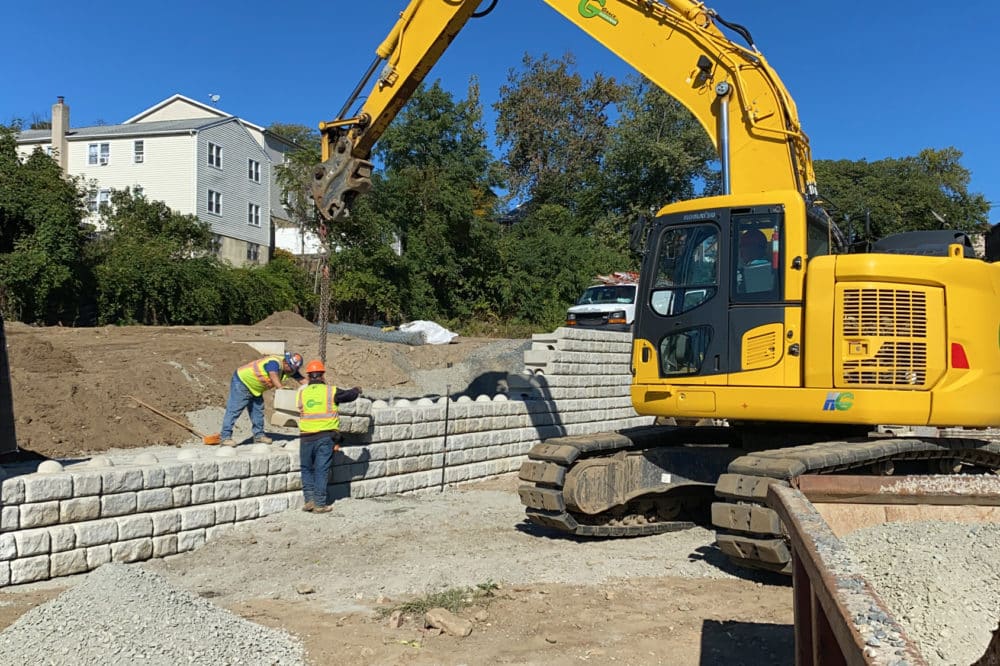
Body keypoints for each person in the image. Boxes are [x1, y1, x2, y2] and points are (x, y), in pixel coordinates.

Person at [296, 359, 362, 513]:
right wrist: (357, 390)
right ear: (322, 376)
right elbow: (348, 395)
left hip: (305, 437)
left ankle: (309, 501)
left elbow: (300, 409)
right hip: (324, 437)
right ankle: (320, 504)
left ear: (309, 376)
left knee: (306, 469)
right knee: (321, 470)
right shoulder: (330, 391)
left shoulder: (302, 393)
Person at [220, 351, 306, 447]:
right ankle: (225, 437)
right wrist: (280, 387)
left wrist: (318, 387)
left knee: (258, 411)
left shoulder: (290, 369)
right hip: (243, 381)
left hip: (256, 388)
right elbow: (273, 374)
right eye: (291, 368)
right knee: (234, 410)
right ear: (286, 362)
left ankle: (259, 436)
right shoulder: (274, 362)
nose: (292, 371)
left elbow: (303, 380)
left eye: (294, 369)